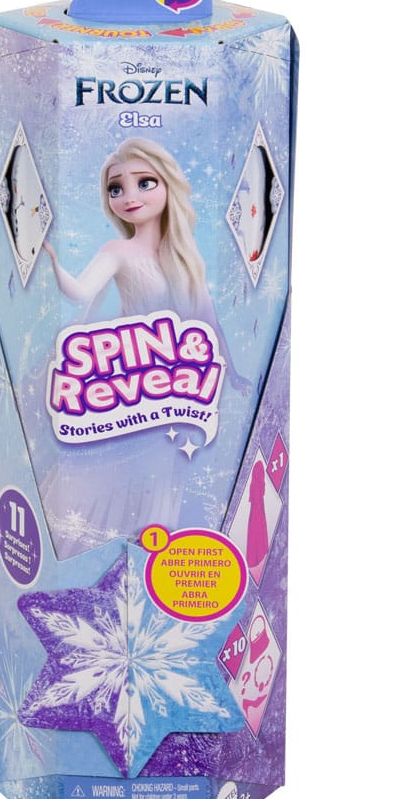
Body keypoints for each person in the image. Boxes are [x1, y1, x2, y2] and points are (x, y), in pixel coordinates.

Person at [37, 138, 248, 559]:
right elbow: (80, 291)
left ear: (168, 185)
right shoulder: (118, 251)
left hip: (174, 390)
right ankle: (85, 553)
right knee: (107, 473)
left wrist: (233, 371)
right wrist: (53, 263)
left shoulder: (186, 259)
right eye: (116, 188)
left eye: (144, 183)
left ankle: (148, 561)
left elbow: (207, 320)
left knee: (159, 480)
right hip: (130, 381)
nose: (129, 197)